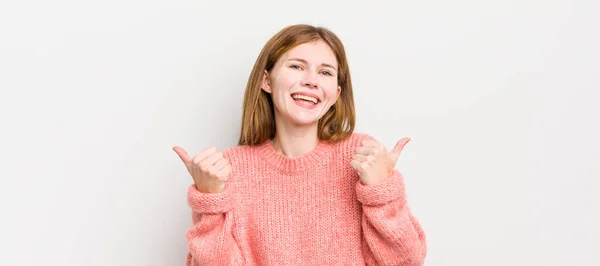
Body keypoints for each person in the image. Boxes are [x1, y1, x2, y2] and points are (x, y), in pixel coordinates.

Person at [173, 24, 427, 266]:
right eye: (296, 66)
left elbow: (405, 262)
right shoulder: (228, 170)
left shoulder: (362, 156)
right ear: (267, 81)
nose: (311, 81)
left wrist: (382, 193)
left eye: (325, 72)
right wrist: (209, 203)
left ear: (335, 95)